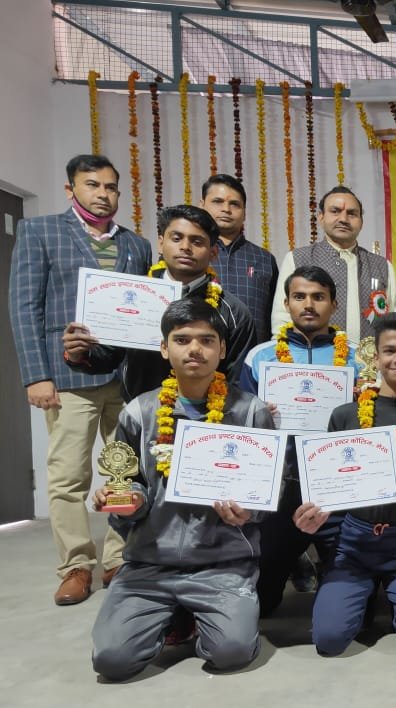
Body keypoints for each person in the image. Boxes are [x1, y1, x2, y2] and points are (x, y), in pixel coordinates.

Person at [90, 298, 275, 680]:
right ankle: (170, 613)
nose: (195, 349)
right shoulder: (139, 412)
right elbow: (130, 483)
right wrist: (127, 502)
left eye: (207, 340)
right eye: (182, 339)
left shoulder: (250, 412)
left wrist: (250, 512)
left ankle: (195, 616)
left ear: (222, 349)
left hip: (222, 564)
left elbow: (268, 491)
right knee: (111, 660)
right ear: (164, 348)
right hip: (149, 564)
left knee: (231, 652)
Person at [9, 153, 152, 605]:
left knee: (125, 471)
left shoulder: (136, 244)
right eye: (93, 185)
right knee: (68, 475)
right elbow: (24, 306)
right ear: (71, 189)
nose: (103, 194)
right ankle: (75, 565)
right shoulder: (41, 231)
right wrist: (36, 375)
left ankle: (118, 557)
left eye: (110, 187)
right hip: (66, 376)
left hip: (124, 378)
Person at [294, 313, 396, 656]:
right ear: (375, 357)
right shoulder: (345, 416)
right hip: (354, 544)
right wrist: (315, 517)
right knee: (329, 640)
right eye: (390, 350)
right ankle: (360, 596)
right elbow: (328, 488)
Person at [239, 265, 361, 613]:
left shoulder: (357, 357)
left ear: (333, 304)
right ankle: (292, 565)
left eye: (318, 297)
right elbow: (239, 419)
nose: (309, 304)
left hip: (337, 485)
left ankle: (334, 582)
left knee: (354, 608)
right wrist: (258, 412)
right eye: (300, 296)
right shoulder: (260, 356)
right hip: (282, 485)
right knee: (263, 604)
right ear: (287, 303)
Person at [63, 204, 257, 400]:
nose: (185, 247)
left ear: (213, 252)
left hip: (208, 414)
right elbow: (108, 357)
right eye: (176, 238)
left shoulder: (233, 312)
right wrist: (79, 354)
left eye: (197, 241)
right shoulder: (133, 296)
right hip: (140, 411)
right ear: (161, 243)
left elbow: (236, 380)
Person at [270, 186, 395, 347]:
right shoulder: (298, 259)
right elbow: (282, 319)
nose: (343, 219)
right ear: (321, 217)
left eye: (352, 213)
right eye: (335, 211)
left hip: (371, 361)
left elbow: (395, 323)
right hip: (314, 359)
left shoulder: (382, 266)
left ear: (361, 222)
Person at [199, 174, 278, 343]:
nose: (226, 209)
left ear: (244, 213)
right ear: (202, 205)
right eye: (218, 201)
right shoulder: (191, 253)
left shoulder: (264, 259)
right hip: (201, 352)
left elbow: (276, 317)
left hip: (252, 354)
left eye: (234, 204)